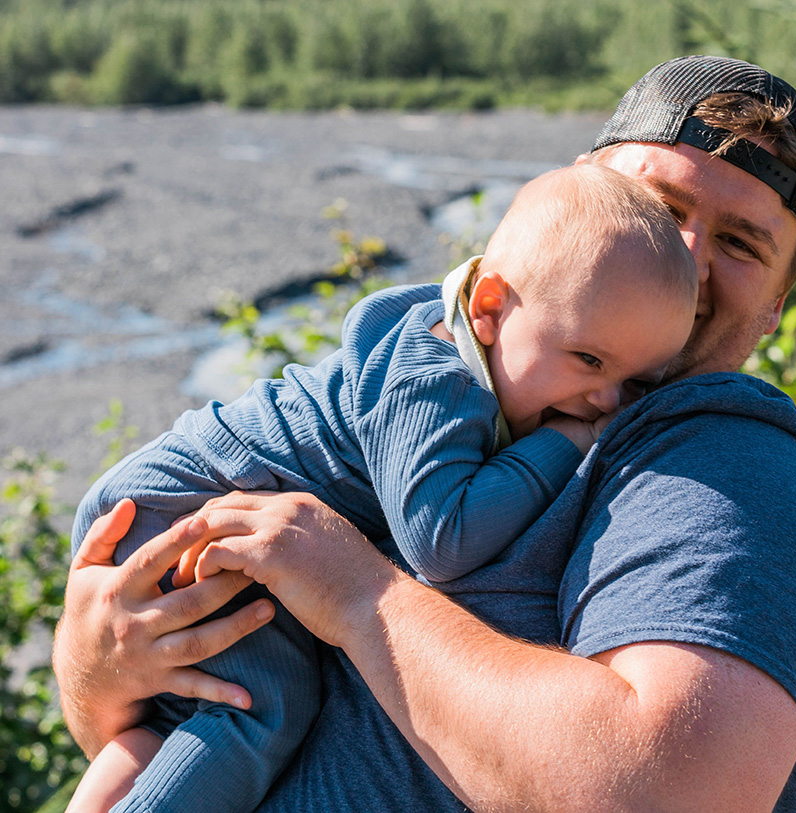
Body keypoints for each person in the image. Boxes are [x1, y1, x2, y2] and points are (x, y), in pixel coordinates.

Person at [54, 55, 796, 813]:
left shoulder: (737, 468)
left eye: (739, 244)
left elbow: (667, 792)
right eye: (660, 208)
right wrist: (96, 671)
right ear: (575, 197)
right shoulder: (480, 375)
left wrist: (353, 588)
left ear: (776, 307)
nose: (687, 259)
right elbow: (187, 713)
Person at [63, 163, 698, 813]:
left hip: (180, 503)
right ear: (488, 308)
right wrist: (567, 441)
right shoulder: (437, 376)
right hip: (185, 506)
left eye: (636, 384)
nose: (605, 399)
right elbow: (442, 537)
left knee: (185, 720)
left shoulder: (489, 356)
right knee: (262, 709)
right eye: (590, 360)